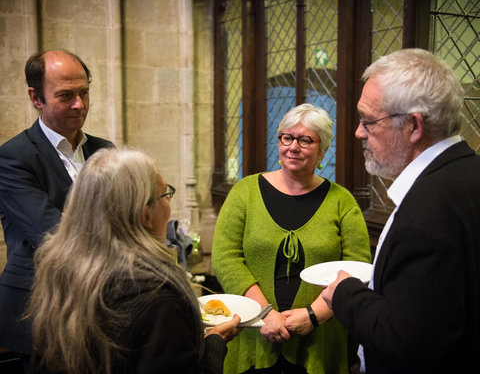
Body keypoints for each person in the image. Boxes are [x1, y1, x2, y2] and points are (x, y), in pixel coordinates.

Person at [321, 48, 480, 374]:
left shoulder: (428, 210)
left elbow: (406, 343)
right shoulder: (467, 172)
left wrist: (345, 294)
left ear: (413, 126)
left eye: (368, 120)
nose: (358, 132)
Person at [27, 148, 241, 373]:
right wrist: (214, 342)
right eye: (165, 194)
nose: (169, 204)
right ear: (145, 215)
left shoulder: (62, 269)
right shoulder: (157, 294)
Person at [212, 103, 371, 374]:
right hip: (253, 332)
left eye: (305, 140)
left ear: (322, 149)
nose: (293, 147)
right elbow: (225, 257)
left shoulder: (342, 201)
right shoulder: (245, 192)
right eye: (287, 137)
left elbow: (356, 268)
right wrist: (265, 314)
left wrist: (313, 316)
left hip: (321, 338)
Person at [0, 50, 114, 366]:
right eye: (65, 96)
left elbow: (127, 220)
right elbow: (52, 233)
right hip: (41, 310)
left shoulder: (104, 151)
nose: (79, 104)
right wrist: (98, 223)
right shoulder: (13, 157)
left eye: (84, 93)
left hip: (101, 307)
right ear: (35, 97)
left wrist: (74, 219)